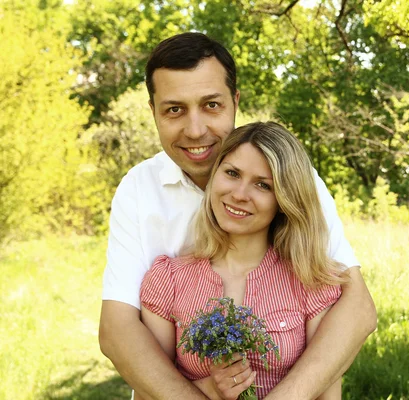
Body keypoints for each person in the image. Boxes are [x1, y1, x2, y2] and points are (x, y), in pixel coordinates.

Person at [99, 32, 377, 400]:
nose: (196, 129)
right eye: (174, 109)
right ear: (153, 112)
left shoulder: (293, 176)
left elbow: (356, 308)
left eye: (211, 105)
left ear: (235, 100)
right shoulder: (138, 189)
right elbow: (117, 330)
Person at [138, 122, 347, 400]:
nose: (239, 194)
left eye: (263, 185)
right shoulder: (168, 281)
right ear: (215, 176)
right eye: (232, 173)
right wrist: (208, 389)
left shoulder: (311, 281)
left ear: (284, 199)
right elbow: (147, 394)